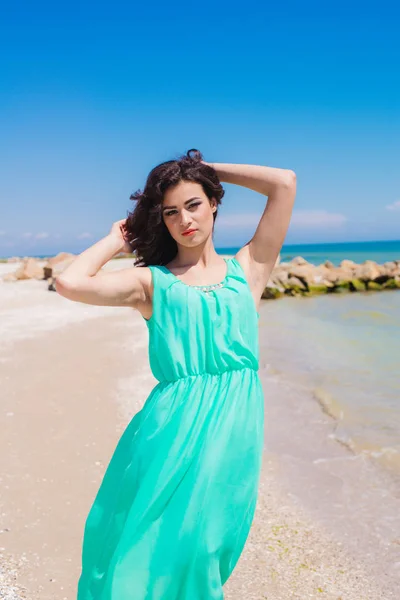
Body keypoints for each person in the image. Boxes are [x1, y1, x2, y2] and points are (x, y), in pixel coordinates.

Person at [56, 149, 296, 599]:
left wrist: (202, 171)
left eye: (194, 204)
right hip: (170, 429)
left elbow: (283, 182)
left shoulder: (249, 269)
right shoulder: (152, 282)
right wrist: (117, 240)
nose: (184, 219)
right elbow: (70, 283)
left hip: (234, 429)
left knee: (206, 548)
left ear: (214, 204)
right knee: (153, 548)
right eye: (170, 212)